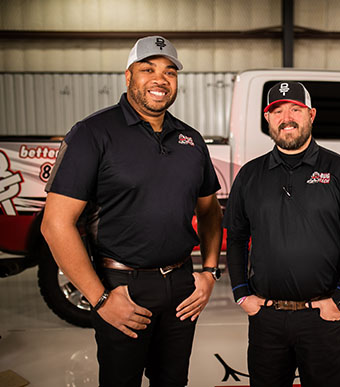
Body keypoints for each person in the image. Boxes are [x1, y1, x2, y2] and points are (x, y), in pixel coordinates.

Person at [41, 36, 223, 387]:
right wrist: (101, 299)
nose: (160, 79)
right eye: (148, 69)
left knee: (172, 381)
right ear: (128, 76)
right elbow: (55, 225)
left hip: (182, 286)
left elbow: (210, 211)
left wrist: (210, 273)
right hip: (122, 286)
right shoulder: (92, 134)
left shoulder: (190, 139)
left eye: (170, 71)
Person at [224, 81, 340, 387]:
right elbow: (237, 237)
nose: (287, 117)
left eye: (296, 109)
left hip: (322, 317)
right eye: (277, 110)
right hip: (266, 317)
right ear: (267, 119)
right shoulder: (250, 175)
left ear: (311, 115)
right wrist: (242, 293)